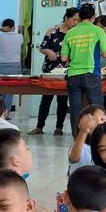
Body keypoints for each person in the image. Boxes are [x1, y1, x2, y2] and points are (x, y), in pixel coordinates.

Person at [62, 4, 106, 135]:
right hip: (91, 73)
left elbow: (64, 58)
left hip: (73, 75)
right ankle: (100, 137)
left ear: (79, 17)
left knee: (75, 110)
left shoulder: (70, 33)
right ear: (93, 17)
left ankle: (77, 139)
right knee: (98, 108)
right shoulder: (98, 31)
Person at [31, 8, 78, 136]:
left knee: (62, 99)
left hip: (67, 70)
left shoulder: (75, 33)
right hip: (50, 70)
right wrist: (48, 52)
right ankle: (39, 126)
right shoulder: (53, 30)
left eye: (77, 20)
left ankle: (59, 128)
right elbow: (42, 47)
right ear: (66, 18)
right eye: (74, 20)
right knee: (46, 98)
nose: (76, 22)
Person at [0, 19, 24, 110]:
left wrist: (0, 29)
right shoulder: (20, 37)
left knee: (1, 89)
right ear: (13, 27)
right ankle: (6, 112)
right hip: (15, 67)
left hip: (2, 66)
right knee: (11, 91)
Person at [67, 105, 106, 175]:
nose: (99, 123)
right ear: (80, 124)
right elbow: (73, 158)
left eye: (102, 119)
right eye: (93, 120)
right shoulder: (81, 147)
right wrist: (83, 131)